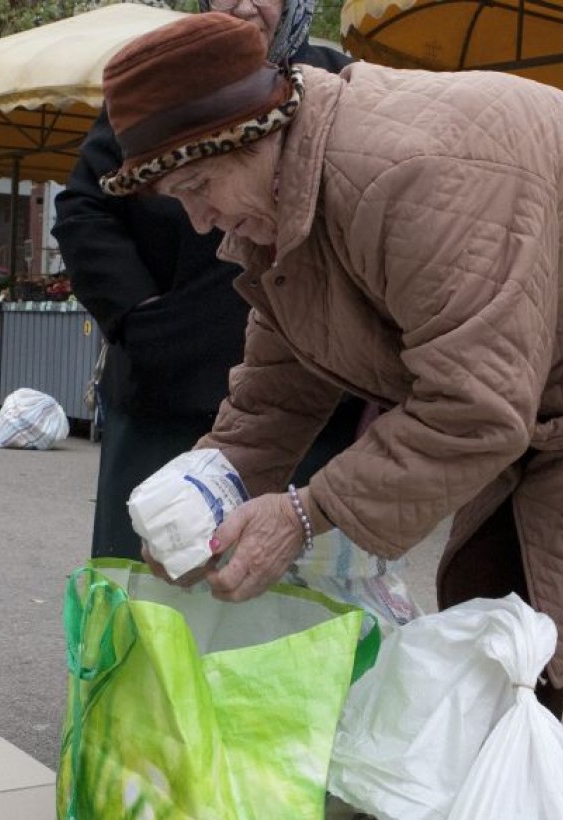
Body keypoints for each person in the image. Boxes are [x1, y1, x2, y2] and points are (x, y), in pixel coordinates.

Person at [98, 13, 563, 820]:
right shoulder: (283, 196)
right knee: (486, 613)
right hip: (559, 373)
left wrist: (306, 514)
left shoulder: (411, 170)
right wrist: (215, 485)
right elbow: (280, 382)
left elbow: (478, 407)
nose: (201, 223)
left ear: (252, 137)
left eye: (199, 192)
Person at [51, 0, 365, 560]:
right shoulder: (166, 86)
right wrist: (142, 316)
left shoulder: (333, 82)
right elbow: (84, 208)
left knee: (294, 589)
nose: (244, 4)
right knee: (154, 578)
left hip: (313, 400)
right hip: (170, 389)